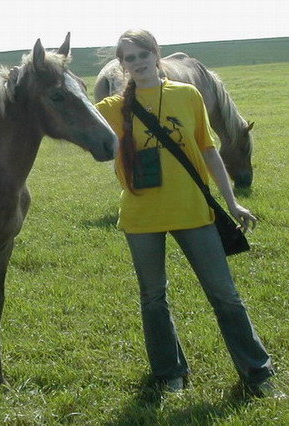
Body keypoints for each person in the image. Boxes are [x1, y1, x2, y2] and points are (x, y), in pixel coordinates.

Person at [95, 29, 278, 396]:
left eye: (142, 53)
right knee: (153, 298)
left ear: (155, 53)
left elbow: (209, 150)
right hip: (141, 217)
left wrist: (232, 201)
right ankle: (169, 374)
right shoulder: (112, 109)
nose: (137, 62)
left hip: (193, 209)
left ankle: (257, 373)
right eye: (128, 58)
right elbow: (66, 116)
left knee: (225, 295)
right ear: (121, 64)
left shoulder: (187, 94)